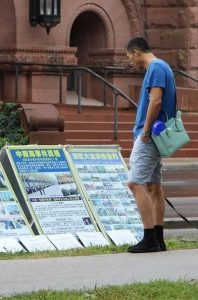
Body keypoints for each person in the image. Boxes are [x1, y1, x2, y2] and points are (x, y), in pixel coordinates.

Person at [126, 37, 176, 253]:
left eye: (129, 57)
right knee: (153, 186)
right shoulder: (163, 67)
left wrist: (145, 131)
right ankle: (158, 238)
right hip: (160, 134)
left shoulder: (155, 68)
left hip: (150, 135)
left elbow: (155, 101)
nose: (130, 62)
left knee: (135, 183)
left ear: (136, 52)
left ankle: (149, 239)